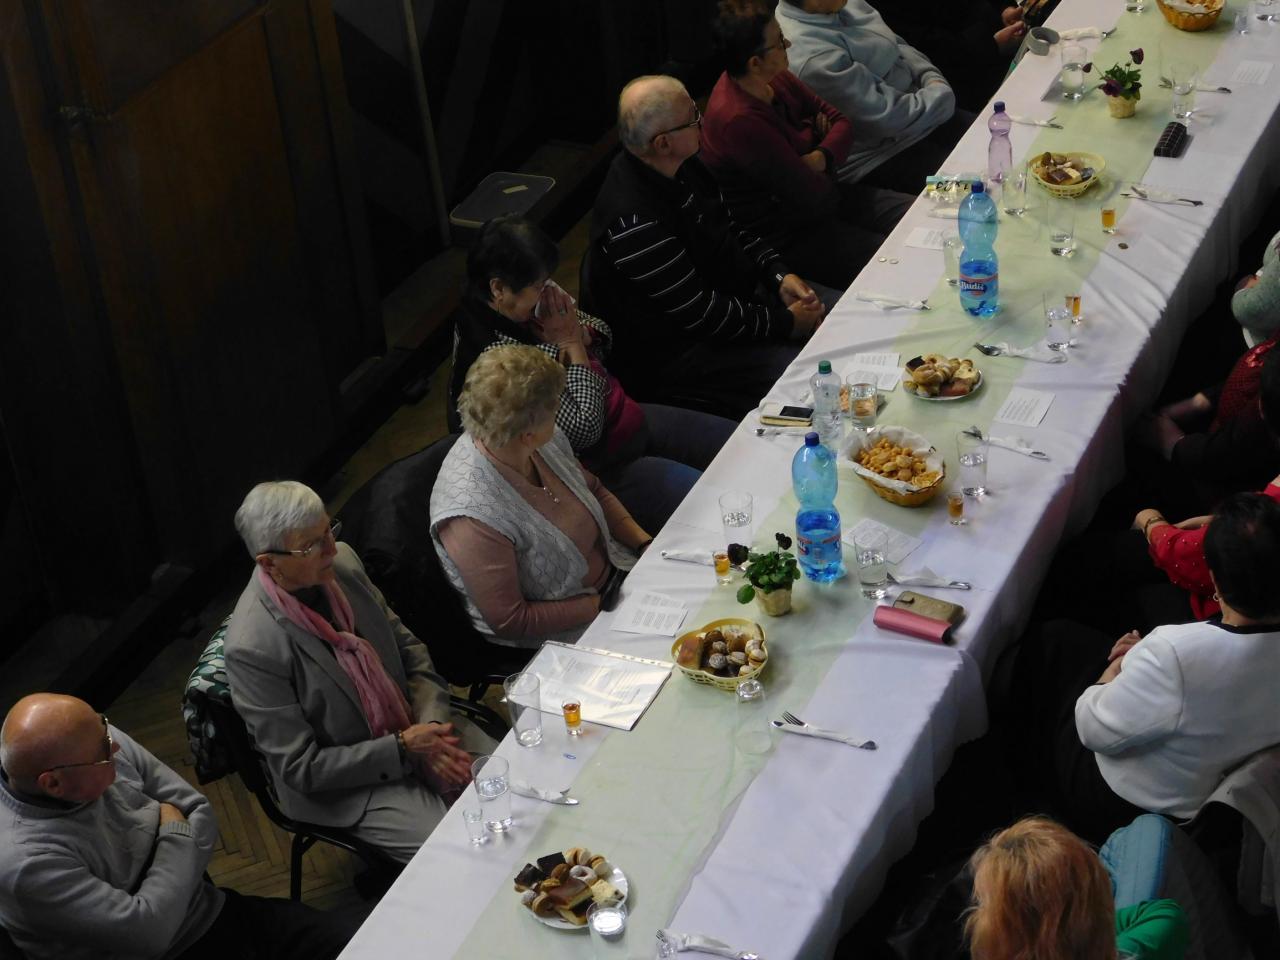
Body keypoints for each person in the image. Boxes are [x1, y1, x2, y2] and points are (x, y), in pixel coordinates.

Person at [224, 480, 495, 864]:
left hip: (417, 724)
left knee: (514, 783)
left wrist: (432, 728)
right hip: (350, 783)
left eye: (329, 530)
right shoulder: (252, 647)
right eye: (311, 546)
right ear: (269, 563)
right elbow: (301, 768)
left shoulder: (345, 565)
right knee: (462, 850)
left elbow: (411, 652)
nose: (331, 549)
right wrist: (403, 748)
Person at [0, 694, 365, 960]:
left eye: (106, 731)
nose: (116, 748)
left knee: (359, 945)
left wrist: (152, 903)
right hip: (174, 953)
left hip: (213, 911)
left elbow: (199, 810)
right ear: (53, 783)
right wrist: (174, 833)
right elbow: (151, 935)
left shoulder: (90, 737)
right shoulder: (26, 864)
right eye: (104, 752)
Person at [1014, 493, 1280, 843]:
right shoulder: (1183, 651)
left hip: (1123, 803)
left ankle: (1022, 782)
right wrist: (1143, 660)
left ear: (1214, 579)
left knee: (1050, 648)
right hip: (1202, 801)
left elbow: (1092, 728)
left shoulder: (1177, 650)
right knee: (1067, 641)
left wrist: (1117, 668)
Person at [447, 215, 736, 535]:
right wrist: (571, 345)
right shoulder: (498, 363)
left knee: (739, 444)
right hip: (596, 467)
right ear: (498, 288)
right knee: (716, 504)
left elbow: (601, 329)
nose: (549, 293)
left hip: (624, 415)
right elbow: (584, 429)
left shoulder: (518, 308)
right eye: (538, 286)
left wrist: (580, 338)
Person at [585, 73, 826, 418]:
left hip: (737, 304)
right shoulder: (634, 225)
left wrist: (778, 275)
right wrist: (785, 323)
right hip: (684, 353)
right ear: (663, 143)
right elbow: (702, 313)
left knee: (836, 319)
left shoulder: (684, 166)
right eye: (692, 118)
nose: (701, 122)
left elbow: (730, 228)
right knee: (816, 377)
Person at [432, 345, 651, 649]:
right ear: (528, 434)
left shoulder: (536, 440)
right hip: (568, 630)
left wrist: (644, 545)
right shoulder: (472, 514)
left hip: (617, 580)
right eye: (556, 408)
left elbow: (595, 491)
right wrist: (603, 605)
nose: (558, 414)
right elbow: (512, 620)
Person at [699, 0, 914, 290]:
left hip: (826, 197)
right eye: (779, 42)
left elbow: (842, 122)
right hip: (791, 233)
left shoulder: (774, 77)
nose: (788, 43)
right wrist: (818, 136)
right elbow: (810, 195)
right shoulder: (739, 121)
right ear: (755, 63)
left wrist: (820, 155)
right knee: (898, 258)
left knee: (916, 213)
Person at [777, 0, 976, 194]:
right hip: (882, 155)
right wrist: (940, 96)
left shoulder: (840, 4)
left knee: (992, 139)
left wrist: (931, 79)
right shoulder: (812, 57)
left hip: (924, 109)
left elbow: (897, 46)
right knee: (972, 190)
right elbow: (885, 117)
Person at [966, 816, 1188, 960]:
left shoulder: (996, 944)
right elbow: (1167, 914)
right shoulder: (1147, 940)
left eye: (981, 902)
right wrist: (1085, 923)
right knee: (1146, 829)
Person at [1133, 338, 1280, 517]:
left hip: (1216, 475)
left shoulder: (1256, 431)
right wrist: (1202, 401)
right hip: (1216, 431)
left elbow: (1223, 456)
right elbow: (1254, 371)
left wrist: (1174, 444)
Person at [867, 0, 1026, 112]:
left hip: (1000, 40)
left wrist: (1005, 8)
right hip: (967, 76)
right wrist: (991, 45)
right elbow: (926, 45)